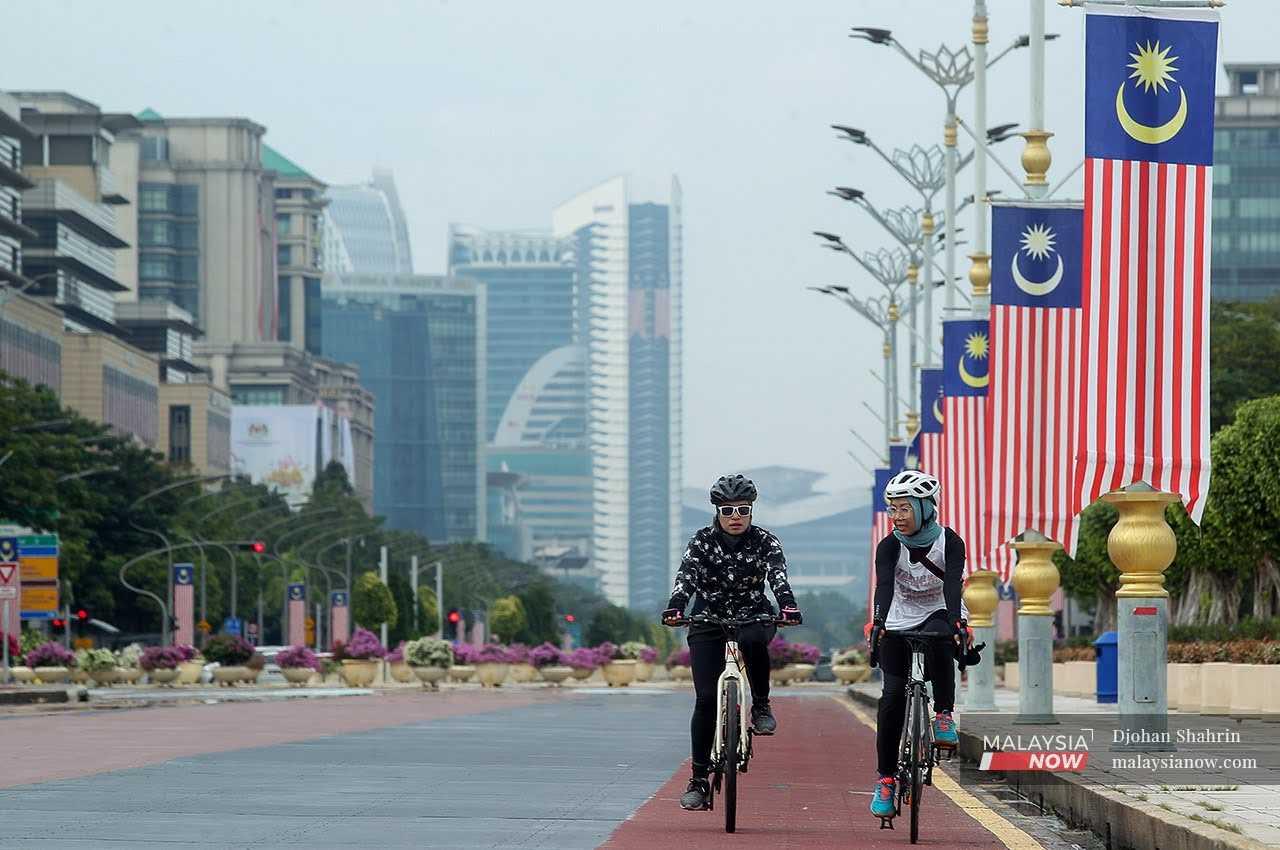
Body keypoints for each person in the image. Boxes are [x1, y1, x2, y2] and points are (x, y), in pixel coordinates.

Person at [662, 473, 803, 812]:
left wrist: (788, 605)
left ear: (752, 511)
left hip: (753, 615)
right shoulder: (701, 542)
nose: (735, 516)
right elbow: (686, 577)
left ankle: (763, 704)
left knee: (755, 638)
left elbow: (778, 577)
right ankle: (698, 779)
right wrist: (676, 607)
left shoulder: (766, 541)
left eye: (742, 509)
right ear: (717, 512)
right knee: (706, 698)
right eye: (728, 510)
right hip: (708, 619)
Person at [865, 469, 972, 819]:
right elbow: (883, 586)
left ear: (926, 507)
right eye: (892, 509)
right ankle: (886, 779)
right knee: (892, 696)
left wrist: (957, 621)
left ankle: (943, 714)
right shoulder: (889, 544)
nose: (896, 517)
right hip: (898, 616)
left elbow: (953, 585)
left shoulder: (950, 542)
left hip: (940, 609)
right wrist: (879, 623)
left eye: (904, 509)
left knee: (942, 639)